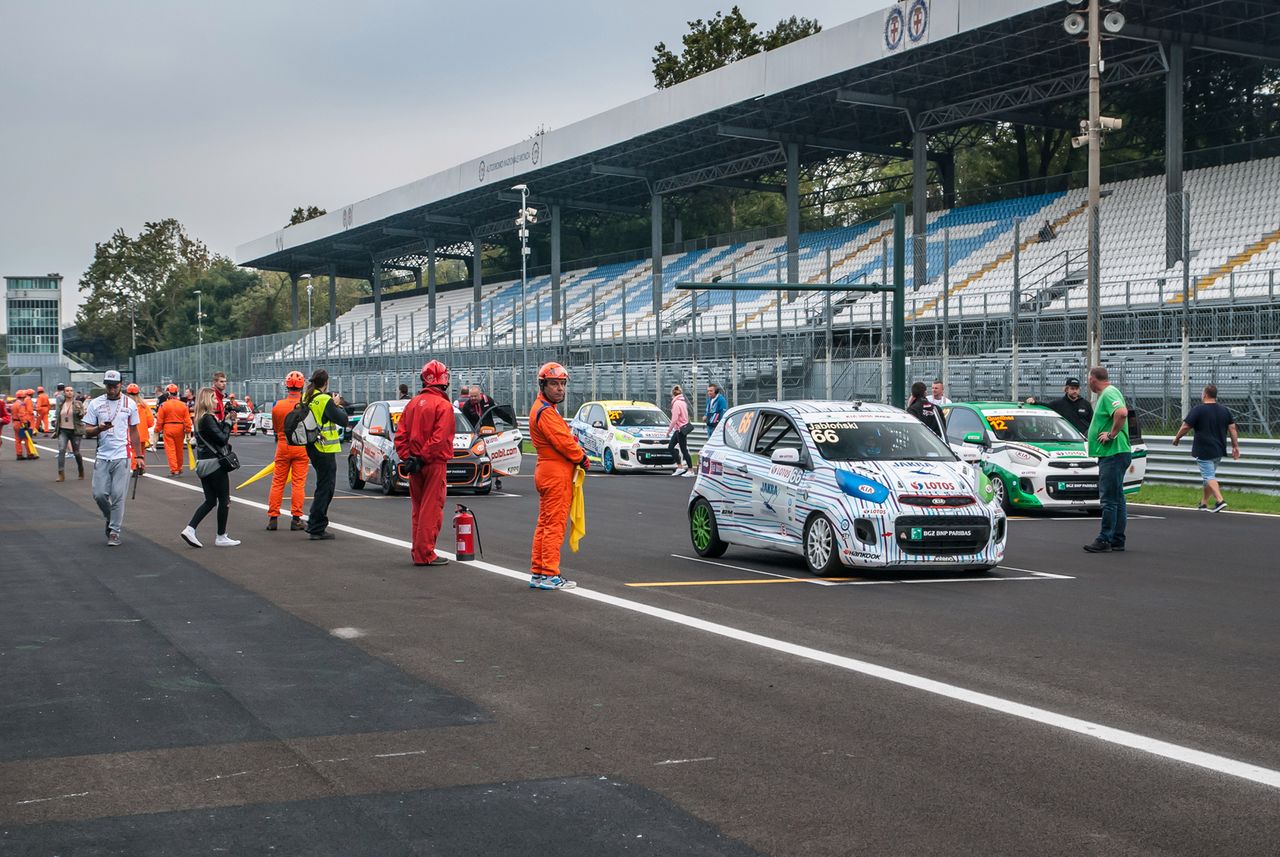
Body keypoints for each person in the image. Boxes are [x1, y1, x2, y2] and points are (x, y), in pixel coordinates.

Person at [528, 362, 589, 591]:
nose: (560, 389)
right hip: (555, 472)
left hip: (547, 470)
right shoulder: (545, 411)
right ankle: (550, 574)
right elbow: (563, 441)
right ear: (543, 385)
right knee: (554, 525)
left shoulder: (543, 408)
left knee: (545, 524)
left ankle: (539, 572)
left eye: (562, 384)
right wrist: (582, 457)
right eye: (554, 384)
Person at [395, 360, 455, 566]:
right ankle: (425, 554)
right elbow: (439, 439)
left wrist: (409, 458)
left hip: (415, 464)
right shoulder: (444, 406)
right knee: (431, 509)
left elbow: (400, 435)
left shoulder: (411, 404)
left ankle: (418, 551)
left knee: (418, 509)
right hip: (433, 463)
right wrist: (422, 457)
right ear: (444, 380)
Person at [82, 370, 144, 546]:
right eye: (108, 385)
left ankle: (114, 532)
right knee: (99, 494)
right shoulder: (95, 404)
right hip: (102, 456)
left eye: (114, 385)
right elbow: (87, 429)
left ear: (120, 385)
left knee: (118, 495)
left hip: (122, 456)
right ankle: (111, 518)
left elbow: (134, 431)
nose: (111, 389)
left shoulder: (130, 404)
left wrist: (139, 455)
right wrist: (99, 429)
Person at [180, 388, 240, 548]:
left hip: (203, 464)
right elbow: (221, 439)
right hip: (215, 465)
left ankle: (190, 529)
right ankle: (221, 536)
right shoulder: (207, 418)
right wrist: (228, 423)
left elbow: (214, 434)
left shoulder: (201, 419)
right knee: (224, 500)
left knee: (210, 501)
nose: (216, 401)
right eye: (213, 398)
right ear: (207, 400)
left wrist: (225, 420)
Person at [1084, 366, 1131, 554]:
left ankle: (1105, 538)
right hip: (1115, 454)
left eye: (1088, 379)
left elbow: (1121, 412)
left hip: (1113, 454)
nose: (1087, 382)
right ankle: (1117, 539)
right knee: (1117, 498)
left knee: (1109, 499)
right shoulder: (1109, 393)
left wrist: (1111, 435)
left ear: (1093, 379)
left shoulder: (1109, 392)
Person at [1172, 384, 1240, 513]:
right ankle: (1203, 503)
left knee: (1209, 476)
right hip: (1219, 449)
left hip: (1203, 449)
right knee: (1209, 477)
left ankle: (1220, 500)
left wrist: (1177, 438)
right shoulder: (1225, 410)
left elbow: (1186, 426)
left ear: (1205, 395)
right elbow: (1232, 428)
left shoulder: (1198, 410)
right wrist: (1235, 446)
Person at [301, 369, 349, 541]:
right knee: (326, 488)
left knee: (322, 486)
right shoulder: (324, 399)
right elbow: (343, 420)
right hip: (324, 448)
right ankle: (316, 526)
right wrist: (337, 404)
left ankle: (314, 522)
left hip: (312, 445)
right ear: (326, 382)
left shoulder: (307, 397)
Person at [266, 371, 310, 531]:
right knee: (298, 483)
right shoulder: (306, 406)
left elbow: (277, 428)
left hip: (283, 445)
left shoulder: (278, 405)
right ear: (302, 386)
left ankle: (273, 518)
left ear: (286, 386)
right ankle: (296, 518)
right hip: (301, 446)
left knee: (277, 482)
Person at [156, 384, 192, 476]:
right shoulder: (183, 405)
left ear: (168, 393)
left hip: (168, 428)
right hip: (180, 428)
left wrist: (157, 430)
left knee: (170, 450)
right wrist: (188, 430)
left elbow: (160, 420)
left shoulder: (163, 405)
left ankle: (174, 469)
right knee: (179, 449)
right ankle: (179, 468)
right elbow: (187, 420)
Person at [55, 385, 86, 482]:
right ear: (64, 393)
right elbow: (58, 417)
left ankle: (81, 470)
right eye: (67, 391)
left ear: (73, 393)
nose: (69, 392)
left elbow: (81, 416)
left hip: (75, 431)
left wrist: (80, 411)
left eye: (71, 391)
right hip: (63, 430)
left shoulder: (78, 403)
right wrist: (56, 430)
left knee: (76, 452)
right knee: (61, 450)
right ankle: (61, 474)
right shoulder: (61, 404)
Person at [125, 383, 154, 470]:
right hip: (143, 432)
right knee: (141, 450)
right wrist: (145, 427)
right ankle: (141, 466)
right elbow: (150, 421)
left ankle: (135, 467)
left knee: (134, 450)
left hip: (131, 432)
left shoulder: (126, 405)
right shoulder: (144, 406)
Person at [667, 384, 694, 477]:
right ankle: (680, 467)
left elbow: (674, 419)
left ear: (673, 395)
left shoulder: (676, 403)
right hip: (681, 428)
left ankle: (690, 470)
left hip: (680, 429)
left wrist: (669, 431)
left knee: (684, 450)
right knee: (671, 447)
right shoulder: (683, 402)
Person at [11, 390, 38, 460]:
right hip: (21, 423)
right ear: (23, 396)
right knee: (27, 439)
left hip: (15, 423)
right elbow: (22, 415)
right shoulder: (21, 404)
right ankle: (30, 454)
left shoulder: (14, 404)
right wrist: (25, 423)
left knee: (17, 439)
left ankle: (19, 454)